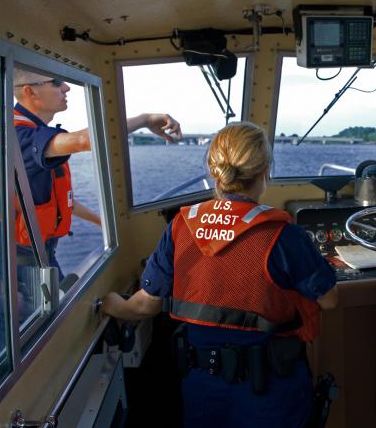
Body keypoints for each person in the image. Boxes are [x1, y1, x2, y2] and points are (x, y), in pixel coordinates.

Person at [101, 122, 338, 427]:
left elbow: (145, 305)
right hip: (270, 391)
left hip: (203, 386)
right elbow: (329, 299)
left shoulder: (180, 227)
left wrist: (109, 304)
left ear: (214, 171)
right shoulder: (283, 235)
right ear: (265, 170)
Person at [9, 68, 182, 279]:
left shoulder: (30, 133)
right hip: (21, 265)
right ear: (30, 92)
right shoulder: (18, 136)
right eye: (56, 82)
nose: (66, 87)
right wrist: (145, 120)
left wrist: (101, 222)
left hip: (39, 254)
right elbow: (83, 140)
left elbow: (59, 201)